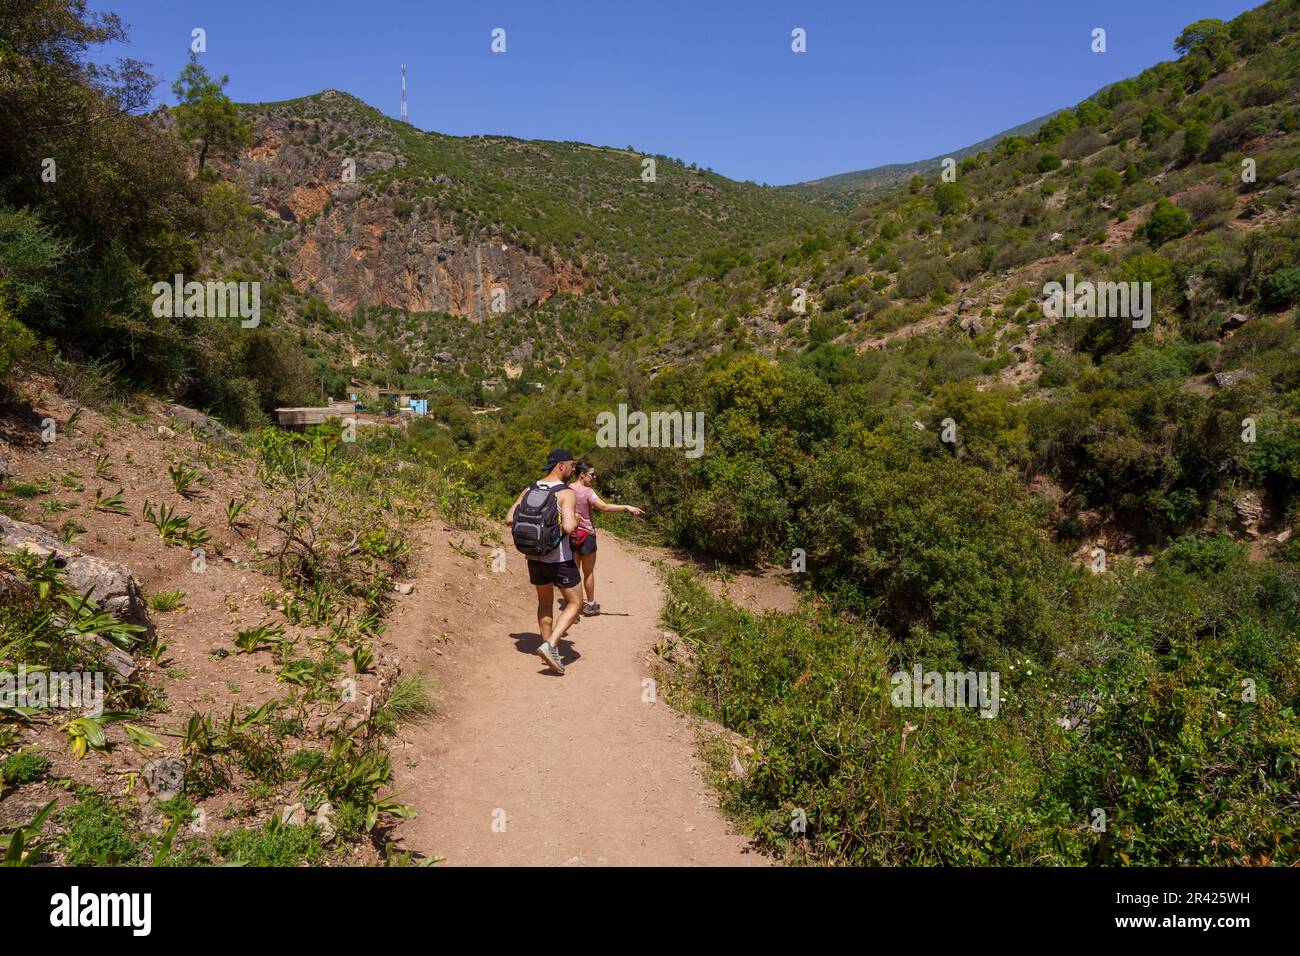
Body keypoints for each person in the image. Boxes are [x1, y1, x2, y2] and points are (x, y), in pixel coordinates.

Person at [506, 449, 581, 675]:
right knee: (576, 603)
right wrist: (574, 520)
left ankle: (546, 647)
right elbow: (569, 527)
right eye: (571, 465)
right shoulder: (566, 493)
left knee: (545, 602)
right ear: (560, 465)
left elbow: (509, 518)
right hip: (559, 559)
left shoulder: (530, 488)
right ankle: (550, 645)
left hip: (533, 557)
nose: (573, 469)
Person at [568, 461, 644, 615]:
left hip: (571, 534)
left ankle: (573, 607)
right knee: (588, 572)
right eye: (592, 475)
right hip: (587, 535)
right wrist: (626, 507)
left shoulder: (567, 489)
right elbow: (603, 507)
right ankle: (590, 604)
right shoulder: (589, 492)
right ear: (582, 475)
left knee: (574, 572)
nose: (594, 478)